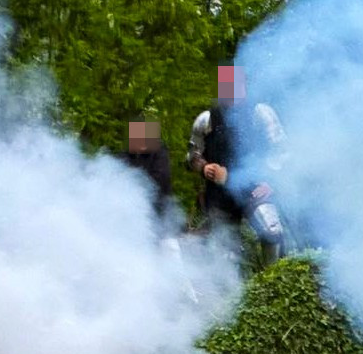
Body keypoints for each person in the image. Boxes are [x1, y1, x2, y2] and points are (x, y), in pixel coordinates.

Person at [186, 65, 288, 265]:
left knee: (272, 231)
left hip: (254, 188)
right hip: (219, 194)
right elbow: (192, 157)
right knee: (225, 256)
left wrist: (270, 181)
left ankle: (273, 283)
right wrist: (204, 167)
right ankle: (235, 293)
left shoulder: (260, 113)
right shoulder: (207, 119)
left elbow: (282, 151)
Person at [122, 120, 175, 225]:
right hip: (131, 211)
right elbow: (116, 172)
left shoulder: (160, 152)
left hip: (157, 209)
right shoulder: (127, 154)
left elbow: (161, 177)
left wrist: (135, 186)